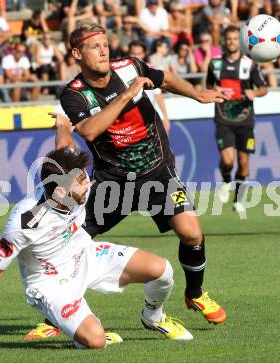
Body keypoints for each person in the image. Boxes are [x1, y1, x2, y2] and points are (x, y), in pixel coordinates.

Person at [25, 21, 227, 340]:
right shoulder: (73, 95)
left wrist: (197, 94)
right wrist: (128, 95)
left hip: (158, 173)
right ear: (77, 53)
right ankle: (57, 315)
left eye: (105, 44)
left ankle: (196, 293)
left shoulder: (129, 67)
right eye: (94, 46)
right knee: (69, 241)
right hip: (112, 183)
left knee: (191, 232)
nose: (104, 50)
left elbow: (167, 78)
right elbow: (90, 131)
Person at [0, 145, 193, 349]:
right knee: (96, 341)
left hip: (85, 254)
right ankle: (88, 333)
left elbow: (64, 149)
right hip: (51, 284)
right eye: (82, 182)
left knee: (162, 270)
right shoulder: (25, 222)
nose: (88, 183)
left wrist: (63, 124)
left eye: (85, 176)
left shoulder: (71, 183)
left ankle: (153, 316)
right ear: (61, 192)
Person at [206, 26, 267, 214]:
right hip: (223, 118)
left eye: (235, 38)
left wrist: (254, 93)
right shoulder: (215, 64)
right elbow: (208, 87)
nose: (232, 41)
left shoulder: (250, 64)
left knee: (244, 163)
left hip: (245, 120)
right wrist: (216, 92)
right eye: (229, 38)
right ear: (224, 41)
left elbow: (264, 88)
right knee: (228, 160)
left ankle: (238, 200)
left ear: (239, 42)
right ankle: (225, 181)